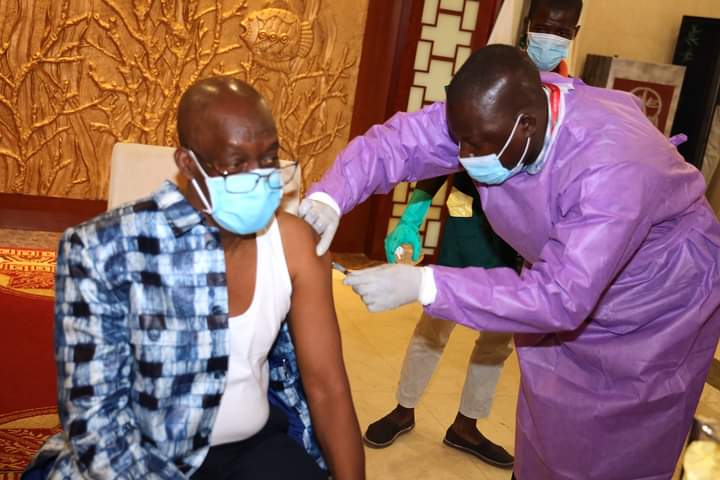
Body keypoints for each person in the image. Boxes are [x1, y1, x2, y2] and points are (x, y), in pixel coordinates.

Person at [298, 45, 720, 479]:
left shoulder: (612, 167)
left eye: (475, 144)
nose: (464, 155)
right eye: (460, 140)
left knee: (621, 445)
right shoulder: (489, 115)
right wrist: (331, 196)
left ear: (528, 125)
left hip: (658, 306)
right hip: (568, 281)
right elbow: (399, 143)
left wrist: (427, 285)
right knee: (550, 422)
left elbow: (560, 297)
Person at [24, 78, 365, 479]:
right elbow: (97, 422)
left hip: (252, 447)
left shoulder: (294, 244)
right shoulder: (105, 249)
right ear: (188, 163)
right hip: (143, 455)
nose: (259, 177)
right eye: (236, 163)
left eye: (269, 158)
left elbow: (328, 387)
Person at [361, 0, 582, 468]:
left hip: (522, 240)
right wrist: (413, 215)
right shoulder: (494, 75)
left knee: (498, 336)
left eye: (561, 31)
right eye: (544, 27)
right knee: (435, 319)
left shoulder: (574, 95)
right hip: (470, 224)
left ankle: (467, 424)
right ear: (528, 26)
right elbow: (443, 150)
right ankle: (403, 408)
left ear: (575, 32)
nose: (551, 38)